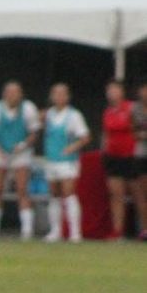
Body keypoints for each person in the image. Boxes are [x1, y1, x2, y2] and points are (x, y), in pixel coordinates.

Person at [0, 82, 42, 239]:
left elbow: (33, 133)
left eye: (16, 92)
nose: (12, 95)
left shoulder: (29, 108)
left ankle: (27, 230)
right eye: (9, 92)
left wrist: (22, 145)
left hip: (20, 152)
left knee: (22, 189)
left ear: (21, 94)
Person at [42, 83, 91, 243]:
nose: (59, 97)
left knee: (69, 194)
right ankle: (55, 231)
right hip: (51, 159)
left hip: (67, 161)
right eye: (56, 93)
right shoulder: (47, 115)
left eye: (62, 94)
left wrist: (72, 147)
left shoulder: (74, 116)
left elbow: (85, 137)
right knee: (54, 195)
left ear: (68, 97)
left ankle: (75, 232)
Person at [101, 79, 137, 240]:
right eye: (109, 90)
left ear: (122, 92)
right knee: (116, 195)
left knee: (139, 195)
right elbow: (106, 134)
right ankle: (118, 231)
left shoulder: (131, 108)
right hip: (113, 158)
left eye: (115, 89)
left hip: (131, 156)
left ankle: (143, 229)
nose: (111, 93)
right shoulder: (108, 112)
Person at [132, 83, 147, 240]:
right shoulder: (135, 109)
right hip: (141, 155)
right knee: (141, 194)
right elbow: (134, 132)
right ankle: (144, 229)